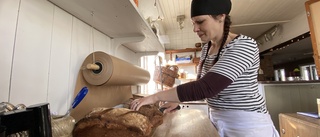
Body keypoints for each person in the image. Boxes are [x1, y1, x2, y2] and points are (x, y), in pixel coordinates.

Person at [131, 0, 280, 136]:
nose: (195, 29)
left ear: (221, 17)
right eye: (193, 23)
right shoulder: (206, 49)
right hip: (217, 120)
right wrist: (178, 100)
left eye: (200, 22)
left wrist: (156, 96)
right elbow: (200, 87)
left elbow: (206, 88)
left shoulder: (244, 45)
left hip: (247, 125)